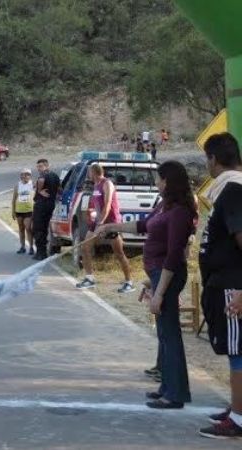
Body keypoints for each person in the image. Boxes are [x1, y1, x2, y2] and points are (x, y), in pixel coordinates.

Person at [98, 160, 196, 409]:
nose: (156, 183)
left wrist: (159, 293)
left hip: (167, 276)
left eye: (159, 179)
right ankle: (167, 387)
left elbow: (174, 254)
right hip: (156, 273)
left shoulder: (180, 212)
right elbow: (143, 226)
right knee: (164, 334)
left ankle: (176, 394)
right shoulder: (165, 206)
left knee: (171, 335)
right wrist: (113, 226)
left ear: (169, 181)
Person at [195, 133, 242, 438]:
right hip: (224, 282)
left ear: (213, 159)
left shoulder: (233, 190)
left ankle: (238, 419)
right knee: (235, 352)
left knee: (239, 354)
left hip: (233, 286)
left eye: (207, 160)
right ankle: (238, 407)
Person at [75, 164, 135, 293]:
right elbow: (96, 205)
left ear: (95, 172)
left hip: (111, 222)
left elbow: (107, 205)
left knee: (119, 253)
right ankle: (89, 278)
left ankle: (129, 282)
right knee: (85, 248)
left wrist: (102, 223)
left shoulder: (107, 183)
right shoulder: (95, 185)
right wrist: (95, 220)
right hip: (98, 222)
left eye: (89, 172)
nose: (88, 175)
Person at [31, 159, 59, 260]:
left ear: (47, 166)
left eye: (40, 166)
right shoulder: (55, 175)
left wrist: (39, 190)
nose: (38, 169)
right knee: (45, 228)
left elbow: (41, 180)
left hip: (42, 205)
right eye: (38, 166)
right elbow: (60, 189)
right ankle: (45, 250)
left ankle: (41, 252)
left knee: (38, 228)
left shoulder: (43, 175)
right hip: (51, 204)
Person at [12, 169, 35, 254]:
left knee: (28, 228)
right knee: (21, 229)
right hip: (19, 210)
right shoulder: (18, 185)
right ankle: (22, 246)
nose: (25, 176)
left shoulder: (32, 184)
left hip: (29, 210)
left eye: (27, 175)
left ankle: (31, 247)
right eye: (23, 175)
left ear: (30, 176)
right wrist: (13, 211)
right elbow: (14, 199)